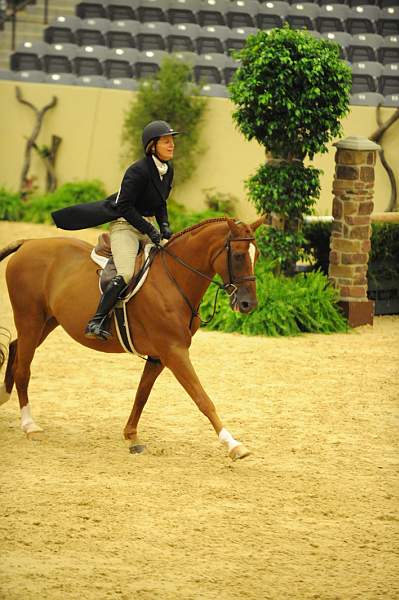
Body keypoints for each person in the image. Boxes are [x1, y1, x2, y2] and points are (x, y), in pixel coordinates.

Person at [52, 120, 180, 341]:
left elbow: (161, 202)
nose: (171, 146)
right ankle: (97, 320)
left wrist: (165, 226)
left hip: (147, 225)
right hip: (125, 226)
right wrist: (150, 229)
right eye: (166, 142)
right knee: (127, 273)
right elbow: (123, 206)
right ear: (152, 146)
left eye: (172, 142)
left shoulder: (168, 170)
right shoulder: (137, 171)